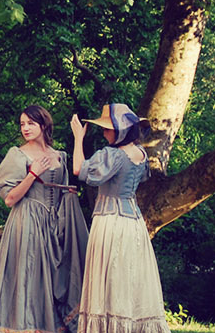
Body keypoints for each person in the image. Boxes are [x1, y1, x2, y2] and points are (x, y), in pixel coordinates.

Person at [70, 103, 170, 333]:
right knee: (127, 275)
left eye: (108, 129)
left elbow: (79, 169)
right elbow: (141, 178)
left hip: (110, 222)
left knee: (110, 276)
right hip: (133, 222)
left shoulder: (112, 155)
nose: (104, 133)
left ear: (122, 130)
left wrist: (78, 138)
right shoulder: (141, 154)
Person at [0, 105, 89, 333]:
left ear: (43, 125)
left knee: (57, 279)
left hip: (55, 225)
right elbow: (10, 198)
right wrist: (32, 174)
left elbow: (68, 184)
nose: (25, 128)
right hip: (27, 223)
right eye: (22, 124)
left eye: (30, 123)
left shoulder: (59, 156)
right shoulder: (17, 154)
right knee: (31, 278)